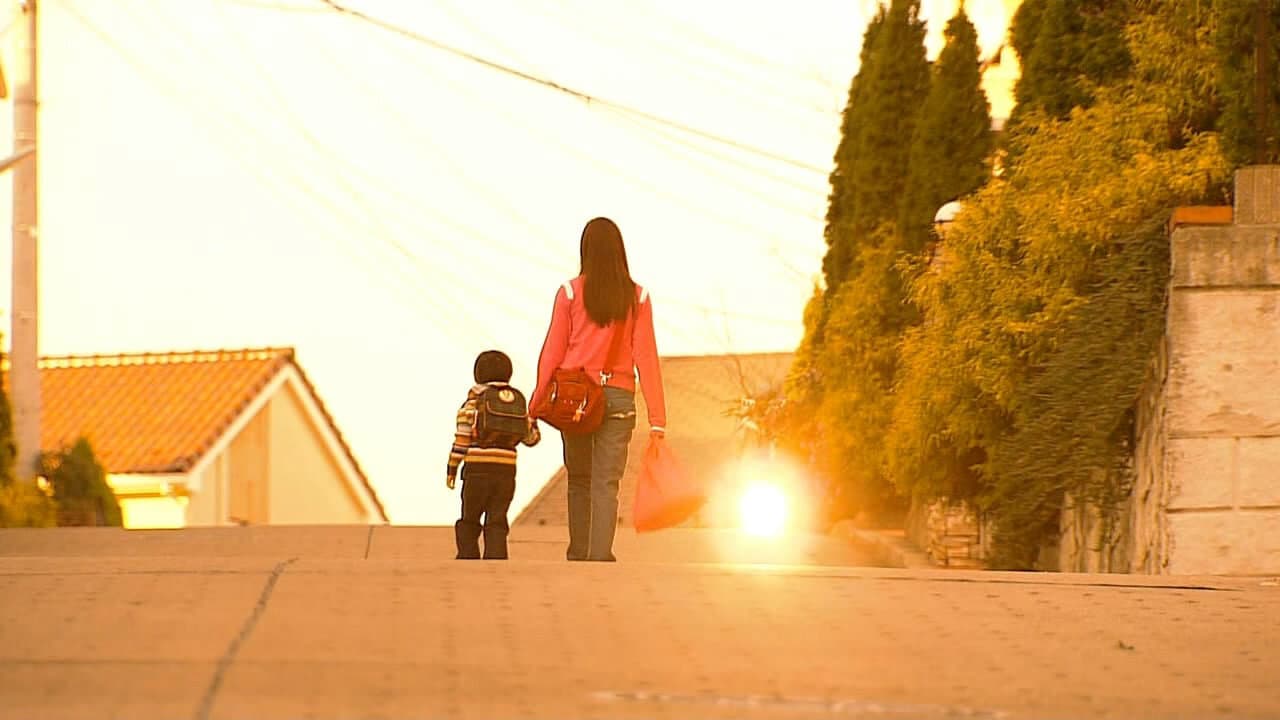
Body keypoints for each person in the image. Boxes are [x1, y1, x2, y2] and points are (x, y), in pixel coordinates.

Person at [530, 217, 667, 561]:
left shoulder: (570, 292)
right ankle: (600, 553)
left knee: (578, 478)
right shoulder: (639, 297)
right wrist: (657, 418)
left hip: (575, 397)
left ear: (585, 250)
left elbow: (553, 351)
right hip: (619, 396)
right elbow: (646, 358)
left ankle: (578, 552)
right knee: (607, 481)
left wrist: (536, 403)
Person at [446, 350, 540, 560]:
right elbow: (532, 439)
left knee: (469, 518)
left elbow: (461, 440)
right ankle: (496, 560)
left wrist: (452, 468)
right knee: (497, 518)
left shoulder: (471, 404)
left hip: (476, 471)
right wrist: (532, 419)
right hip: (506, 471)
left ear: (478, 374)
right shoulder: (517, 404)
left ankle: (467, 557)